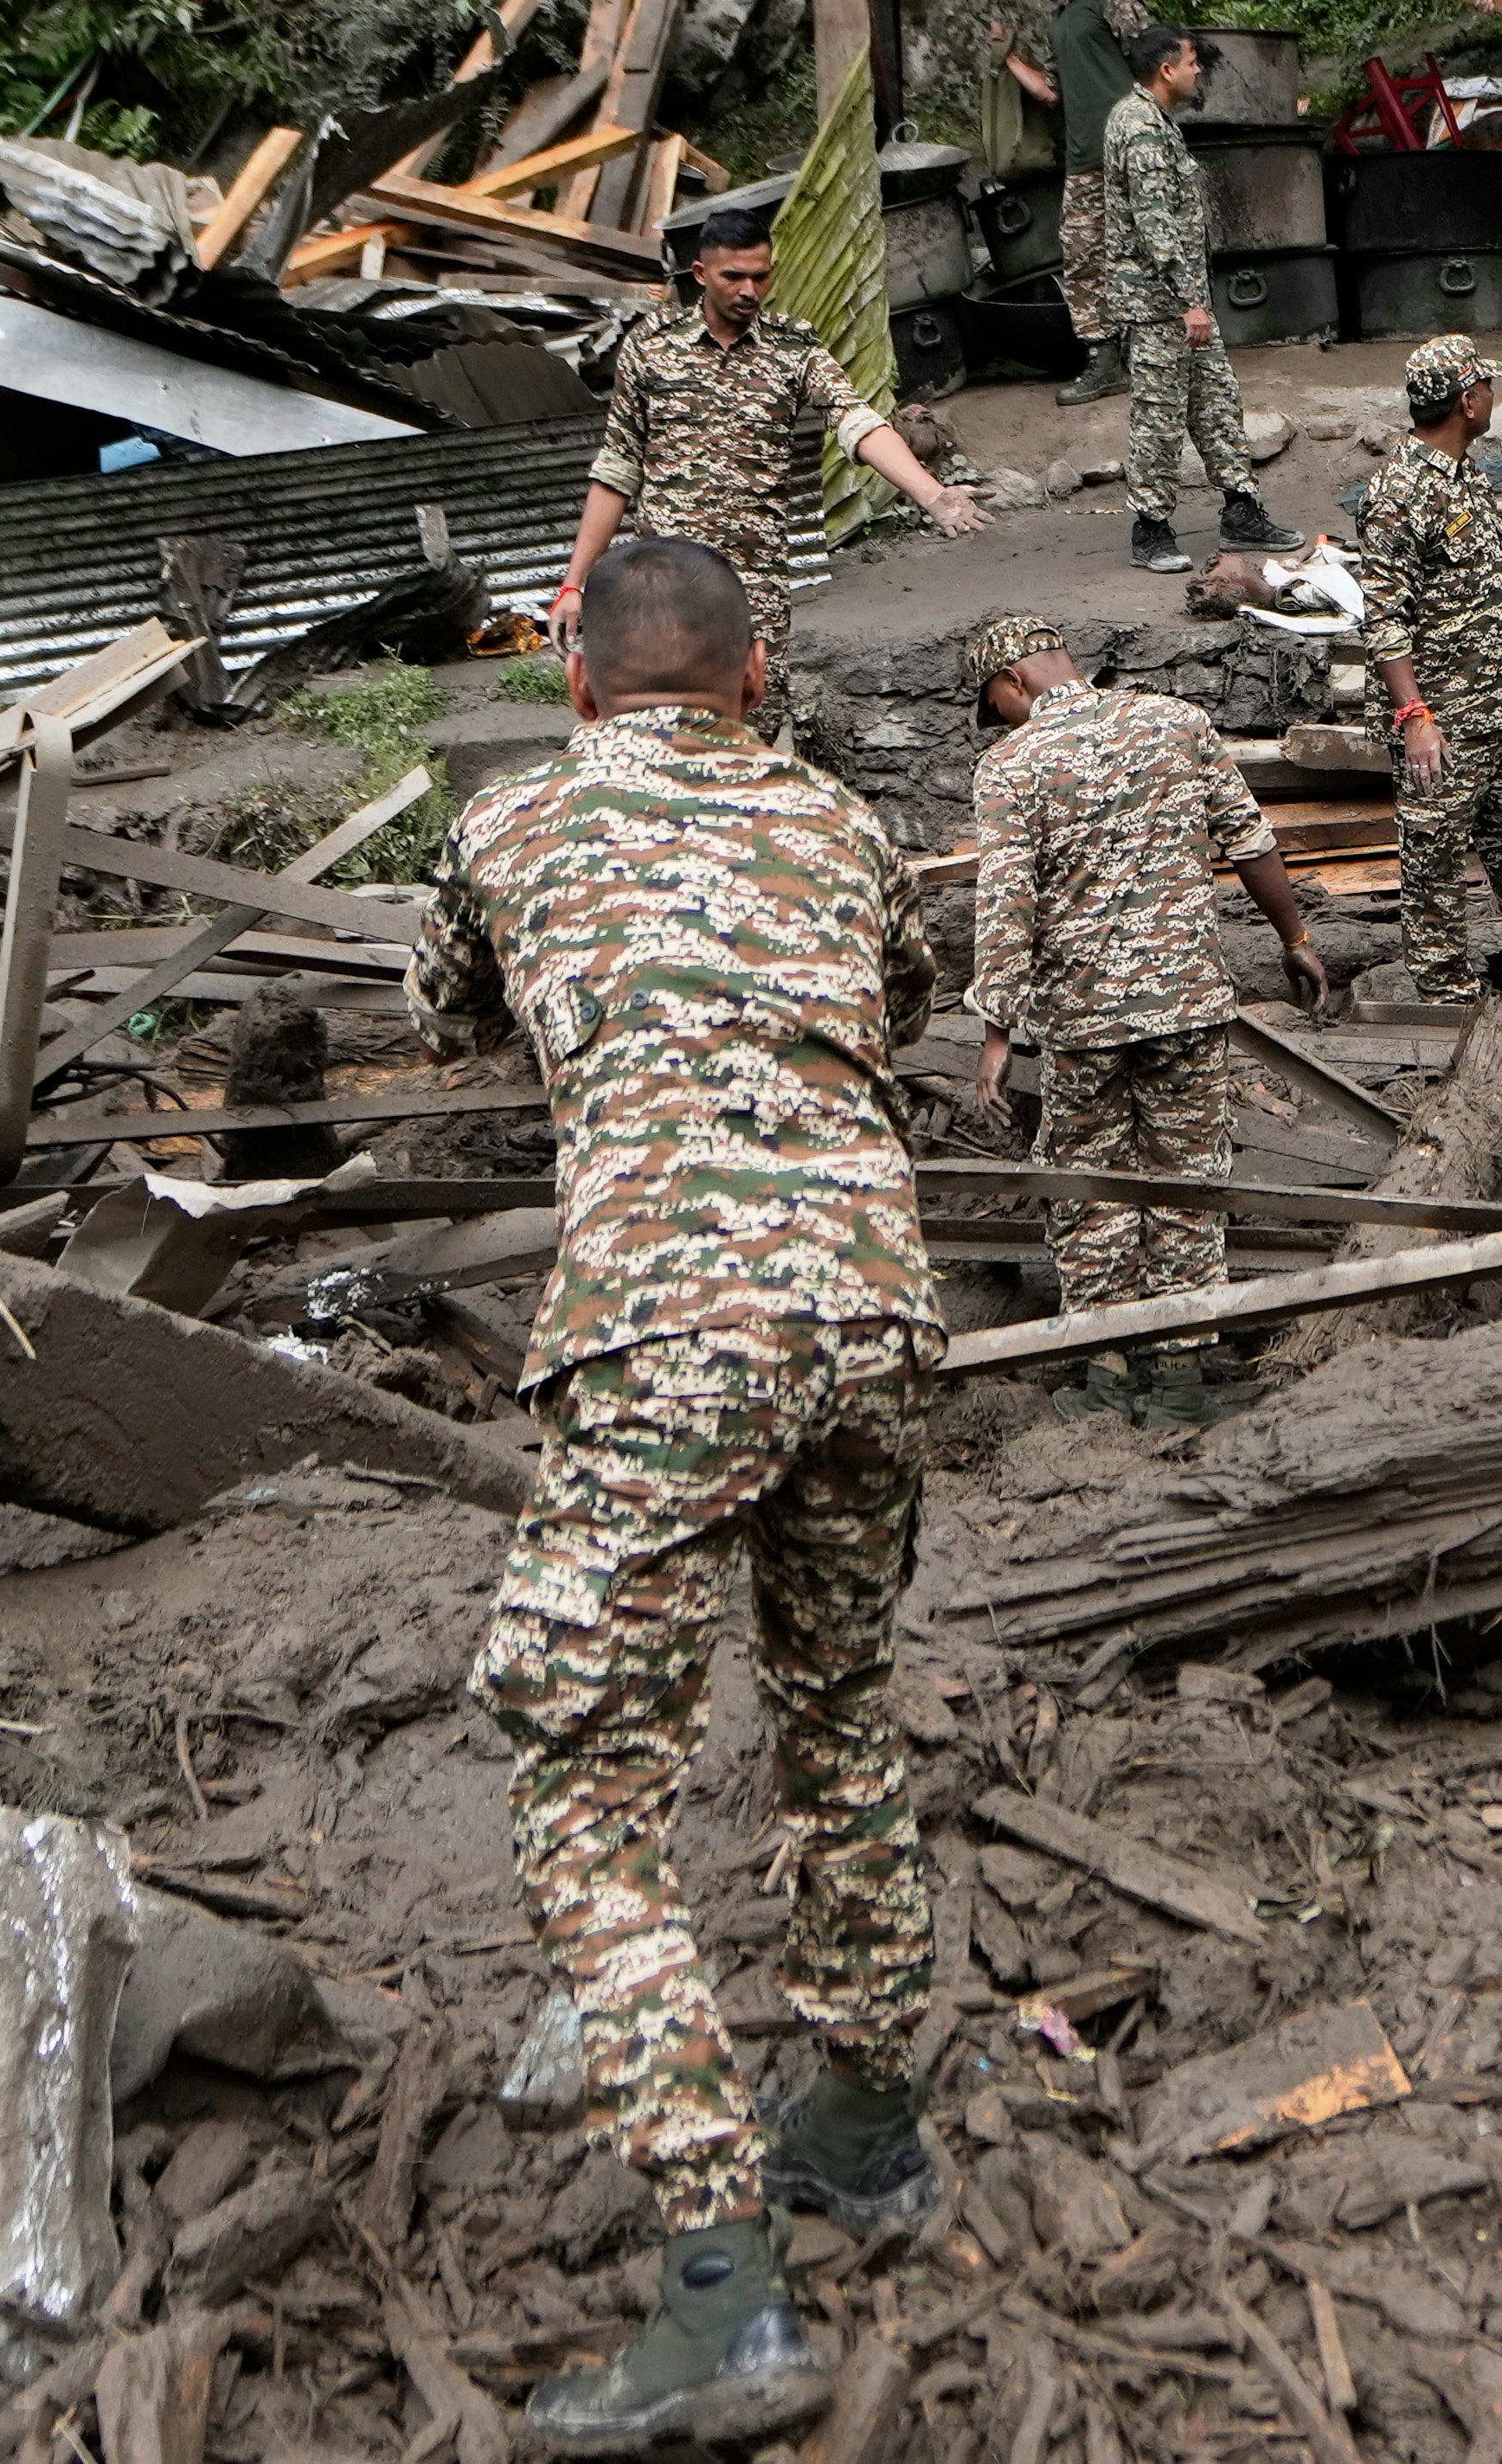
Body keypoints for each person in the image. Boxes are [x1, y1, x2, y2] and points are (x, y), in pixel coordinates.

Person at [417, 537, 950, 2456]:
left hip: (665, 1325)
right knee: (836, 1710)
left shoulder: (512, 820)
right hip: (876, 1316)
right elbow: (902, 991)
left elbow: (451, 1008)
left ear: (577, 671)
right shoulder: (840, 815)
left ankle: (722, 2292)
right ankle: (871, 2127)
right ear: (751, 674)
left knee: (584, 1785)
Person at [961, 613, 1330, 1322]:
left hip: (1082, 1024)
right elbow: (1249, 840)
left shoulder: (1010, 765)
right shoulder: (1178, 722)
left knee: (1091, 1195)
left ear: (1011, 680)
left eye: (994, 709)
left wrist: (998, 1033)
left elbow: (1008, 903)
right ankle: (1183, 1370)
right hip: (1188, 1006)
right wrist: (1295, 937)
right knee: (1188, 1191)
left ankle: (1106, 1364)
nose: (999, 723)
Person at [555, 209, 986, 742]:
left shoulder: (792, 347)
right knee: (657, 725)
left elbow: (857, 422)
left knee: (751, 726)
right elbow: (617, 467)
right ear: (699, 274)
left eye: (761, 276)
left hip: (754, 586)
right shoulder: (651, 348)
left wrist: (933, 494)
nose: (749, 290)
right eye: (733, 276)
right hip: (665, 581)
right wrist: (573, 584)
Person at [1355, 336, 1502, 999]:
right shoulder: (1397, 493)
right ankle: (1448, 997)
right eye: (1486, 386)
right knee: (1437, 861)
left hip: (1501, 704)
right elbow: (1385, 619)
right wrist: (1414, 716)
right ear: (1466, 400)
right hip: (1445, 719)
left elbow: (1481, 589)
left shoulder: (1466, 473)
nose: (1493, 396)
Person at [1099, 28, 1295, 576]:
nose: (1199, 71)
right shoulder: (1138, 126)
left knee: (1217, 403)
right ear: (1166, 70)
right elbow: (1155, 223)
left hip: (1185, 303)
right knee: (1160, 419)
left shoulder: (1157, 124)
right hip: (1160, 305)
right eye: (1191, 62)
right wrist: (1189, 302)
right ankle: (1152, 530)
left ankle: (1240, 509)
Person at [991, 0, 1157, 407]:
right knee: (1084, 260)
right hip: (1084, 157)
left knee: (1154, 249)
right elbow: (1052, 92)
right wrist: (1006, 56)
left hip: (1129, 149)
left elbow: (1153, 59)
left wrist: (1149, 133)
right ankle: (1106, 361)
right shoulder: (1060, 15)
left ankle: (1164, 355)